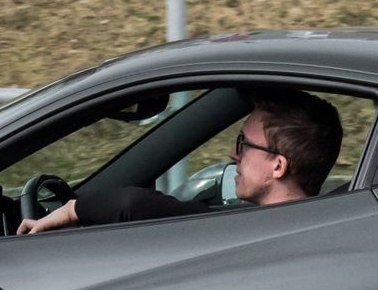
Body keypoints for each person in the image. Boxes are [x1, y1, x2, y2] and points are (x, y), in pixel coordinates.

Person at [18, 90, 342, 234]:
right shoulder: (303, 226)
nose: (233, 154)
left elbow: (131, 204)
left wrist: (72, 210)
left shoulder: (257, 232)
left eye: (244, 143)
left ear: (278, 167)